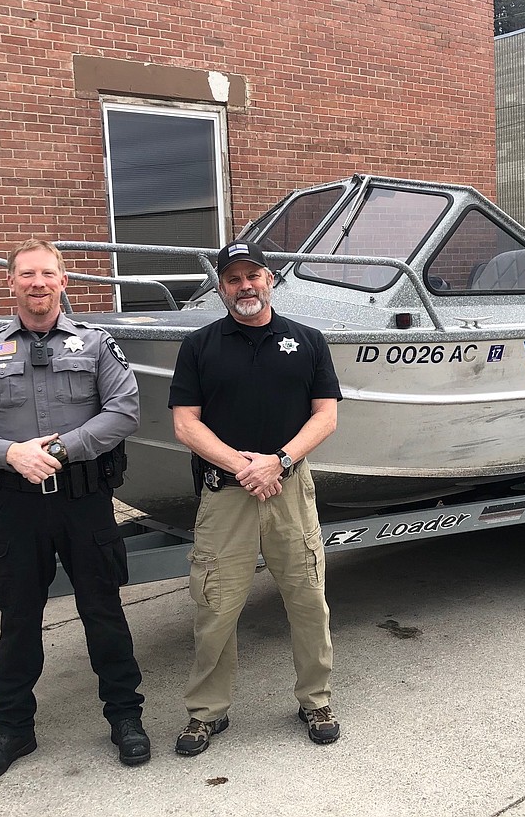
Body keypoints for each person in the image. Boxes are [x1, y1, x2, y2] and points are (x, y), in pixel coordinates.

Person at [0, 239, 149, 783]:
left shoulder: (97, 344)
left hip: (84, 501)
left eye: (47, 274)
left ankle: (125, 717)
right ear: (11, 284)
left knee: (104, 612)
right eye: (26, 275)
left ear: (63, 282)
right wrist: (9, 453)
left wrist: (62, 450)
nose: (37, 283)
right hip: (15, 506)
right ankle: (13, 728)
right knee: (18, 620)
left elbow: (124, 410)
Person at [168, 240, 342, 755]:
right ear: (221, 288)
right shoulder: (199, 346)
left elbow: (326, 415)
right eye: (234, 279)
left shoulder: (308, 340)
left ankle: (316, 699)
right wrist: (244, 465)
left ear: (271, 280)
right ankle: (206, 713)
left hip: (290, 488)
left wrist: (280, 460)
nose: (245, 286)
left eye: (254, 276)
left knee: (309, 599)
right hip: (226, 494)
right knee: (215, 606)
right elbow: (184, 424)